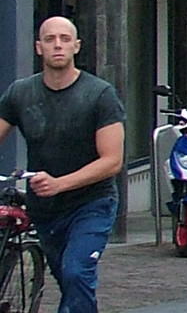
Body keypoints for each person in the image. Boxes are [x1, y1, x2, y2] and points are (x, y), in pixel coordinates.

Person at [0, 17, 126, 312]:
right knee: (69, 281)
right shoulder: (20, 93)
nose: (58, 45)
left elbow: (112, 161)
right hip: (45, 210)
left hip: (92, 203)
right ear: (38, 47)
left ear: (76, 46)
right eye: (50, 39)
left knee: (76, 272)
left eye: (65, 39)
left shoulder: (100, 94)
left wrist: (60, 183)